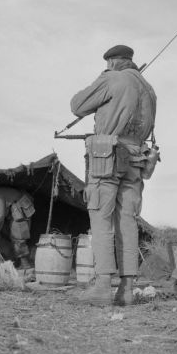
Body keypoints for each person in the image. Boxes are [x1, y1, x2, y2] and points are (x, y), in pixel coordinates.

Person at [70, 44, 157, 306]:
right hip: (136, 158)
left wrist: (104, 76)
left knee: (101, 218)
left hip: (108, 156)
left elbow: (77, 105)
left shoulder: (112, 78)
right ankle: (127, 290)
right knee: (128, 222)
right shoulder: (149, 89)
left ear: (112, 62)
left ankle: (102, 287)